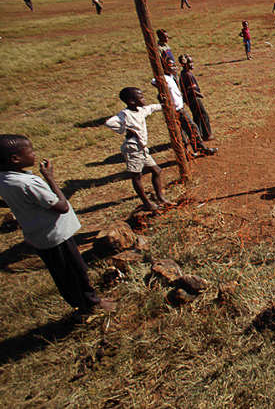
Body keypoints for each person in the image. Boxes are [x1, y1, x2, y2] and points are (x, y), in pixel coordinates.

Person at [0, 135, 114, 315]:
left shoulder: (5, 179)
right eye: (30, 151)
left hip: (38, 235)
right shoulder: (28, 183)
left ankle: (79, 305)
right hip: (56, 235)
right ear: (15, 159)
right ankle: (91, 303)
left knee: (62, 274)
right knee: (76, 271)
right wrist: (50, 178)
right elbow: (62, 206)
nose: (34, 153)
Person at [105, 88, 174, 212]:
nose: (144, 99)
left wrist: (164, 104)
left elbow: (152, 108)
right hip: (133, 149)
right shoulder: (125, 114)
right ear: (131, 101)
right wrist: (124, 130)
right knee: (137, 176)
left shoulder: (141, 110)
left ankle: (160, 197)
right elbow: (109, 122)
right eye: (141, 97)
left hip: (142, 148)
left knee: (156, 170)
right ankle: (147, 203)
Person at [151, 60, 218, 159]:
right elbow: (153, 81)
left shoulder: (172, 77)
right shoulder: (163, 78)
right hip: (174, 110)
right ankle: (189, 153)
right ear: (164, 67)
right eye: (171, 65)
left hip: (180, 108)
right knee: (185, 131)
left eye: (174, 65)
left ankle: (198, 149)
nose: (174, 67)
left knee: (189, 129)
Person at [178, 54, 213, 141]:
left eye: (192, 62)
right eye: (190, 62)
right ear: (184, 64)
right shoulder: (188, 74)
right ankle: (207, 134)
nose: (192, 64)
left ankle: (198, 134)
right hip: (194, 98)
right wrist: (199, 94)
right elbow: (191, 89)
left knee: (197, 116)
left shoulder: (183, 74)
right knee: (203, 115)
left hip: (189, 99)